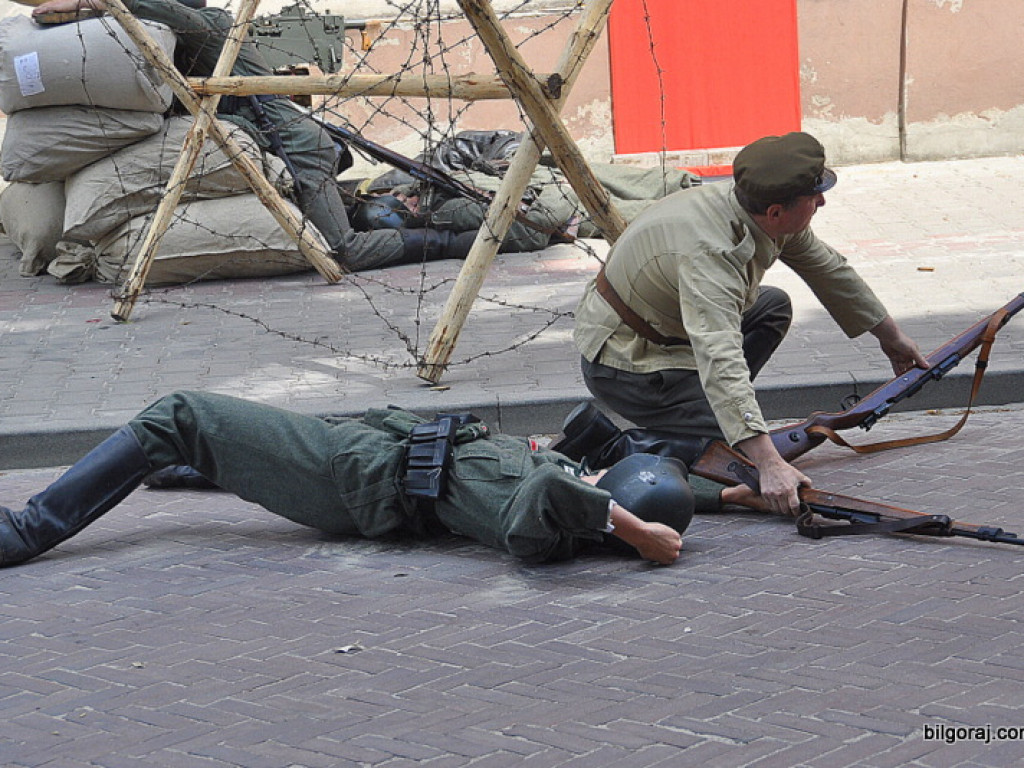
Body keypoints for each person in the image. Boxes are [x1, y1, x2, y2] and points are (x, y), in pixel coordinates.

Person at [565, 132, 929, 518]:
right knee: (729, 453)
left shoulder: (750, 208)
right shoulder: (711, 254)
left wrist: (893, 339)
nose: (822, 202)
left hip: (672, 338)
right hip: (627, 367)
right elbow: (721, 358)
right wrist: (768, 462)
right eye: (814, 197)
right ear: (775, 212)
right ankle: (635, 443)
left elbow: (829, 269)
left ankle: (714, 410)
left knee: (772, 306)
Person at [0, 391, 693, 568]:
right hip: (356, 454)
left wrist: (638, 535)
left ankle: (27, 531)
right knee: (209, 438)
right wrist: (756, 490)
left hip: (351, 476)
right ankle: (191, 464)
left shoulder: (545, 511)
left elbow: (551, 503)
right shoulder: (570, 480)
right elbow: (659, 488)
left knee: (178, 414)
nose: (603, 462)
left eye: (613, 472)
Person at [31, 0, 476, 270]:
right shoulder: (177, 49)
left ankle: (457, 243)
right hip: (278, 148)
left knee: (343, 250)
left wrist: (98, 5)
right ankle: (411, 209)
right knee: (355, 216)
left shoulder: (210, 28)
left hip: (297, 145)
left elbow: (174, 13)